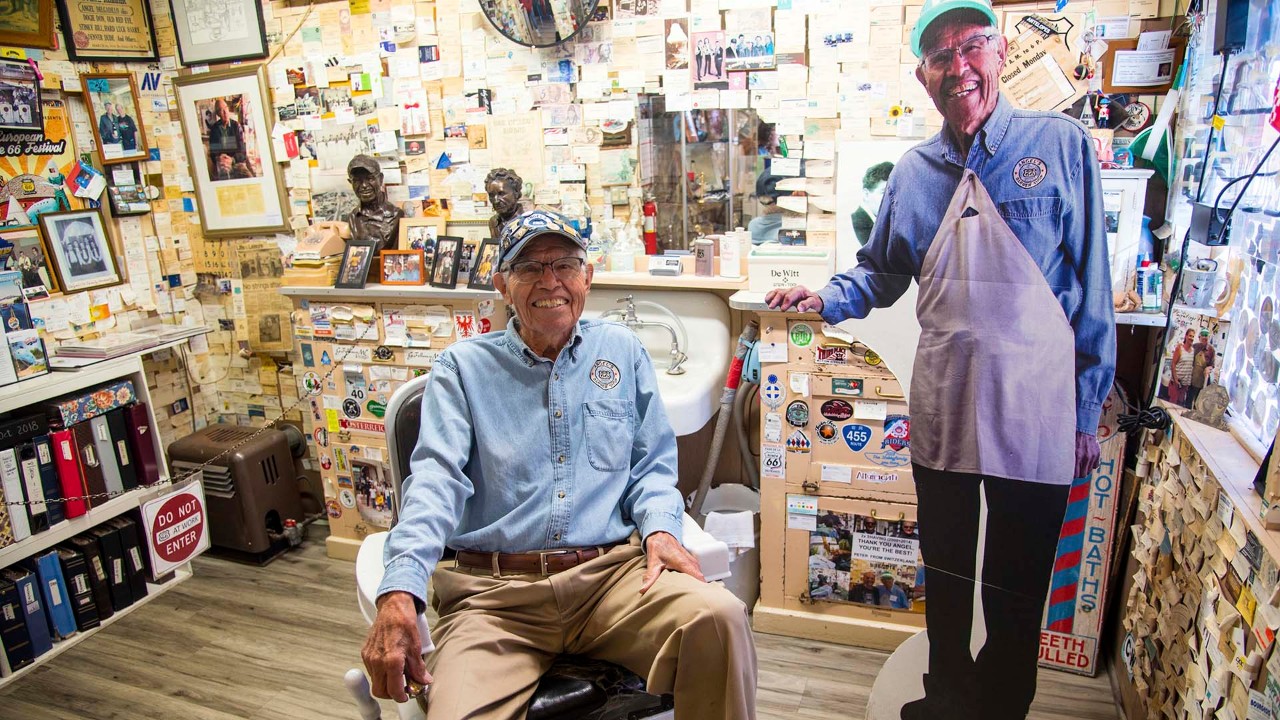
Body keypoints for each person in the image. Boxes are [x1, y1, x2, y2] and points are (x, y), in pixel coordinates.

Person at [765, 0, 1115, 716]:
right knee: (948, 577)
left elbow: (1094, 290)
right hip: (947, 401)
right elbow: (880, 272)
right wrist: (824, 299)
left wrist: (1086, 411)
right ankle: (947, 698)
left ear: (998, 51)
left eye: (971, 47)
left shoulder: (1061, 144)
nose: (958, 69)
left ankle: (1001, 705)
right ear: (923, 76)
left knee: (1016, 590)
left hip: (1037, 405)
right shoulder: (915, 173)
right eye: (939, 57)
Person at [361, 209, 757, 719]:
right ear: (503, 285)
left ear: (586, 277)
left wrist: (661, 530)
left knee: (720, 617)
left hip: (611, 579)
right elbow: (435, 481)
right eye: (529, 268)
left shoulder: (622, 351)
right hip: (496, 598)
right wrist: (400, 587)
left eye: (565, 264)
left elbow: (651, 465)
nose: (551, 282)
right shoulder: (461, 370)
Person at [344, 154, 404, 253]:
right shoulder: (352, 217)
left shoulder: (396, 215)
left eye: (370, 179)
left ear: (380, 179)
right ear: (351, 182)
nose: (364, 185)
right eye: (357, 180)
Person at [485, 167, 534, 240]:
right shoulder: (493, 222)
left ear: (516, 192)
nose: (496, 200)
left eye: (501, 194)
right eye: (491, 195)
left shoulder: (528, 221)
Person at [851, 162, 893, 247]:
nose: (890, 199)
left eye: (892, 193)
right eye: (883, 192)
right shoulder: (857, 224)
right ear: (866, 194)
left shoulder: (885, 222)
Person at [1189, 328, 1216, 407]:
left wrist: (1208, 368)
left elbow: (1212, 365)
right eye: (1203, 335)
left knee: (1198, 403)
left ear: (1209, 337)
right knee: (1188, 401)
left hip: (1202, 380)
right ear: (1199, 337)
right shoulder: (1194, 347)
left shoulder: (1211, 350)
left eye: (1206, 336)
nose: (1204, 337)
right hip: (1192, 378)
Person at [1168, 328, 1195, 406]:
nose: (1191, 338)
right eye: (1190, 335)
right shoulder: (1179, 348)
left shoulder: (1193, 351)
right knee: (1172, 405)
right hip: (1176, 383)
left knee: (1180, 406)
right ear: (1186, 336)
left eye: (1193, 336)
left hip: (1185, 385)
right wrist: (1176, 380)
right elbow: (1173, 364)